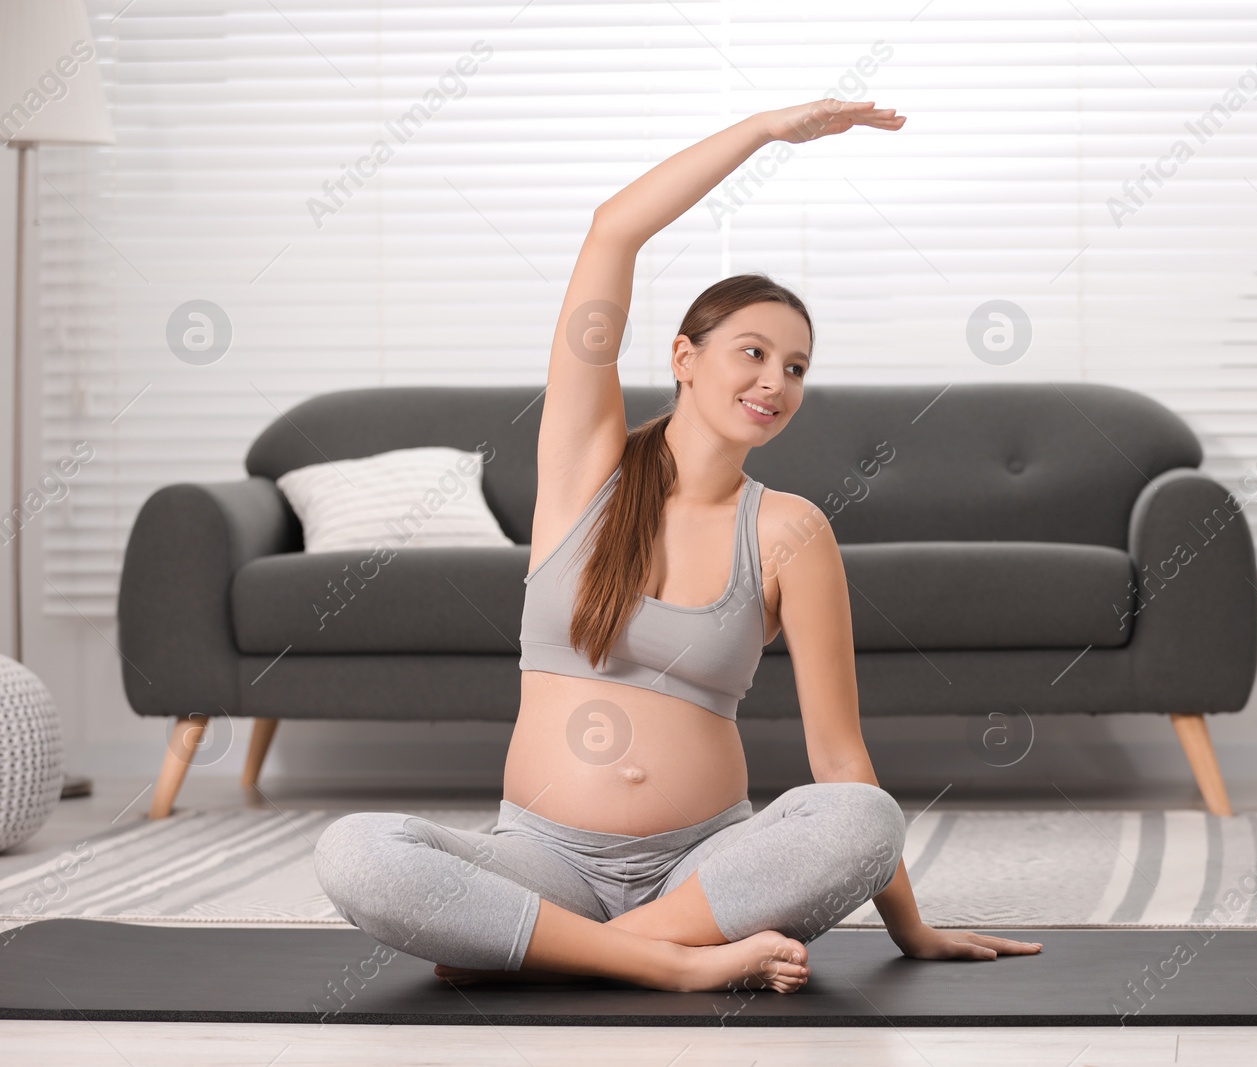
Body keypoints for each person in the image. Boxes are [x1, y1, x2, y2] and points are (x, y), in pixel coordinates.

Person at [314, 98, 1043, 994]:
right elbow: (612, 231)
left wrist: (912, 927)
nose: (775, 381)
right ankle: (663, 965)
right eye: (752, 351)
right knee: (355, 851)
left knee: (864, 816)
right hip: (545, 860)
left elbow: (841, 761)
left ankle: (573, 950)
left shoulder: (790, 531)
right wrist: (765, 132)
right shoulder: (586, 471)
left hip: (706, 869)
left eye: (797, 367)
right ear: (685, 356)